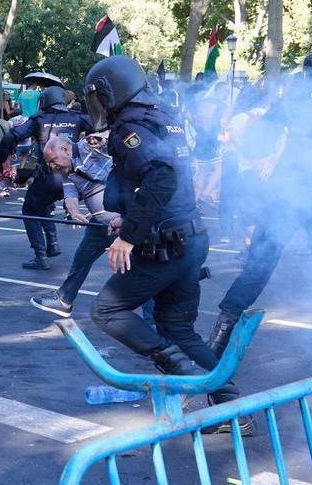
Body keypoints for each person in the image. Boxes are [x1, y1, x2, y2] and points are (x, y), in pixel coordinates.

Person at [83, 55, 246, 431]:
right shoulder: (164, 118)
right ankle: (234, 408)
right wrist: (129, 218)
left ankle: (182, 373)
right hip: (190, 237)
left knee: (107, 310)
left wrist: (128, 236)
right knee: (177, 327)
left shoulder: (129, 128)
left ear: (110, 92)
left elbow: (161, 176)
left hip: (167, 246)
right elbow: (169, 184)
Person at [205, 44, 312, 368]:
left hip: (289, 197)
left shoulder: (301, 94)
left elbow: (261, 138)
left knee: (258, 266)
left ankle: (214, 349)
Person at [0, 85, 94, 270]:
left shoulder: (39, 119)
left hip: (49, 175)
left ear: (45, 101)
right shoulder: (77, 118)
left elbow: (12, 136)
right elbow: (101, 128)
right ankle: (52, 243)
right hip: (72, 178)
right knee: (41, 204)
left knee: (29, 209)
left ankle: (40, 256)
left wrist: (0, 160)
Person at [29, 133, 116, 316]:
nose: (52, 166)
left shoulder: (87, 147)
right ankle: (64, 300)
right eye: (49, 163)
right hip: (101, 222)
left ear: (65, 150)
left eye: (53, 160)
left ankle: (153, 322)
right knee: (83, 257)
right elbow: (70, 192)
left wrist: (103, 139)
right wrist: (74, 211)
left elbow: (111, 140)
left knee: (141, 267)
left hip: (125, 219)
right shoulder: (66, 169)